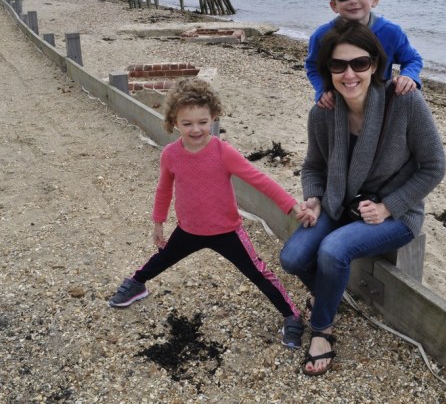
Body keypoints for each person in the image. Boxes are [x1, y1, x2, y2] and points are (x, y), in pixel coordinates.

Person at [281, 20, 446, 376]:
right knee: (292, 258)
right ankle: (329, 295)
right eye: (338, 65)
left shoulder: (405, 102)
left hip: (396, 213)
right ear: (328, 70)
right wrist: (314, 198)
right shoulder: (323, 112)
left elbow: (434, 167)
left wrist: (389, 207)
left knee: (332, 250)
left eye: (359, 63)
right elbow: (312, 167)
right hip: (339, 202)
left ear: (375, 65)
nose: (349, 74)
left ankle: (322, 329)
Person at [109, 78, 310, 349]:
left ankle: (291, 314)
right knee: (161, 258)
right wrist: (158, 223)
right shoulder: (170, 154)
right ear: (174, 122)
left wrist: (291, 205)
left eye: (202, 122)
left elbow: (259, 180)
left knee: (259, 273)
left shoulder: (223, 152)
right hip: (188, 230)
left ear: (213, 117)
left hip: (227, 232)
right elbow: (163, 190)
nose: (196, 129)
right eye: (187, 123)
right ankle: (137, 283)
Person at [306, 0, 423, 109]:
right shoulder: (322, 36)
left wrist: (408, 76)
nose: (353, 0)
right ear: (334, 5)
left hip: (380, 103)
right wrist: (322, 90)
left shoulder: (391, 32)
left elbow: (413, 59)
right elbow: (313, 66)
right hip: (339, 102)